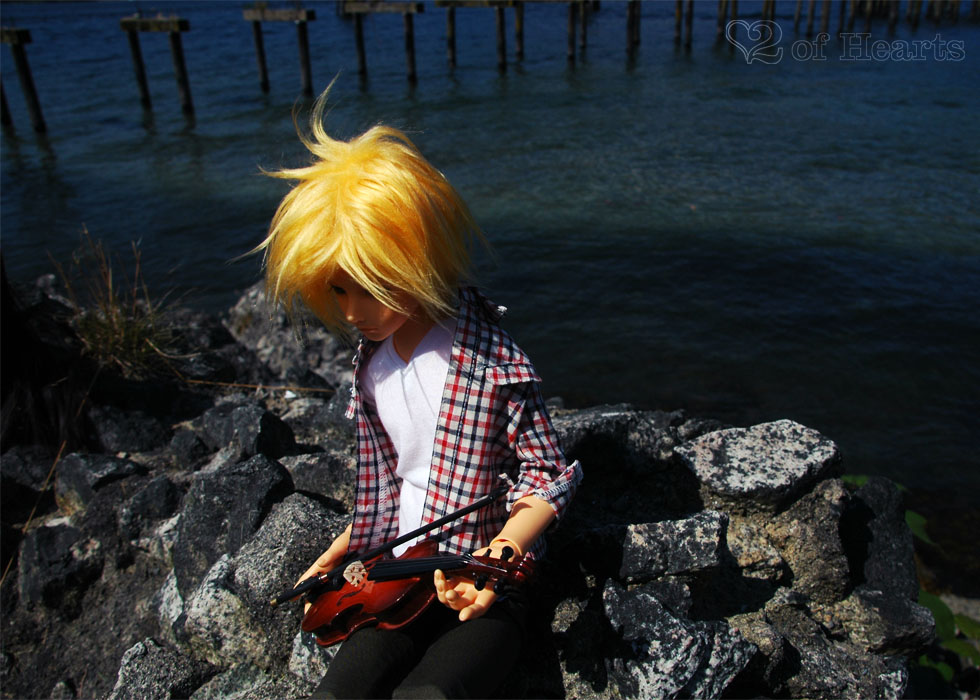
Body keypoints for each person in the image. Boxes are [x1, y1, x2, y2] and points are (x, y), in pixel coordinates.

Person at [256, 88, 582, 699]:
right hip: (395, 574)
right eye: (338, 290)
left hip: (479, 580)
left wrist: (504, 549)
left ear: (418, 259)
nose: (351, 312)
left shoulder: (491, 361)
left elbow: (546, 474)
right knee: (337, 692)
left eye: (370, 286)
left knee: (431, 694)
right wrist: (343, 549)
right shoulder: (372, 365)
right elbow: (397, 478)